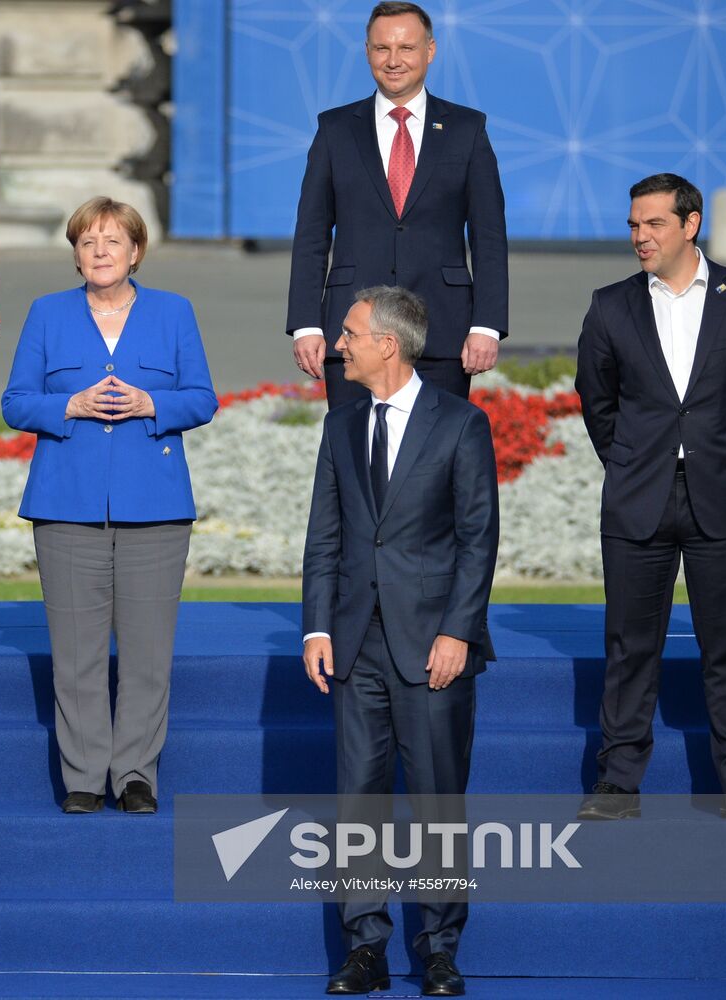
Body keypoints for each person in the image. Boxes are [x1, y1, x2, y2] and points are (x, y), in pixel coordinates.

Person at [575, 173, 726, 824]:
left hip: (723, 497)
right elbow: (597, 401)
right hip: (637, 497)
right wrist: (631, 462)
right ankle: (616, 785)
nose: (640, 236)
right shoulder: (609, 305)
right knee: (629, 646)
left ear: (690, 224)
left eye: (654, 224)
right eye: (633, 225)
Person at [302, 285, 498, 996]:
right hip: (356, 642)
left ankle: (440, 950)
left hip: (433, 646)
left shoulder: (461, 424)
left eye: (349, 333)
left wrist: (457, 631)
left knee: (437, 799)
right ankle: (366, 948)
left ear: (388, 343)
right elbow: (324, 535)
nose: (337, 346)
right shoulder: (340, 426)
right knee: (359, 797)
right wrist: (317, 626)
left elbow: (478, 539)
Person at [1, 197, 217, 815]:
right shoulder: (47, 313)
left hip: (156, 506)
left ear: (136, 252)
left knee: (148, 654)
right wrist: (68, 405)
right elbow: (16, 402)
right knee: (77, 654)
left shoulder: (174, 312)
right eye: (88, 242)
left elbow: (202, 398)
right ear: (75, 254)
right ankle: (83, 776)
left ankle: (136, 775)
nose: (100, 252)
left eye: (113, 241)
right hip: (66, 504)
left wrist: (154, 404)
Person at [287, 1, 508, 408]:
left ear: (430, 50)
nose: (393, 60)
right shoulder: (335, 129)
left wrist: (487, 325)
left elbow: (489, 238)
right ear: (367, 51)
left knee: (435, 447)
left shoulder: (467, 129)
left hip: (443, 332)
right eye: (381, 48)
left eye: (406, 48)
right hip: (353, 333)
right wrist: (305, 325)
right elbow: (311, 235)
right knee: (355, 447)